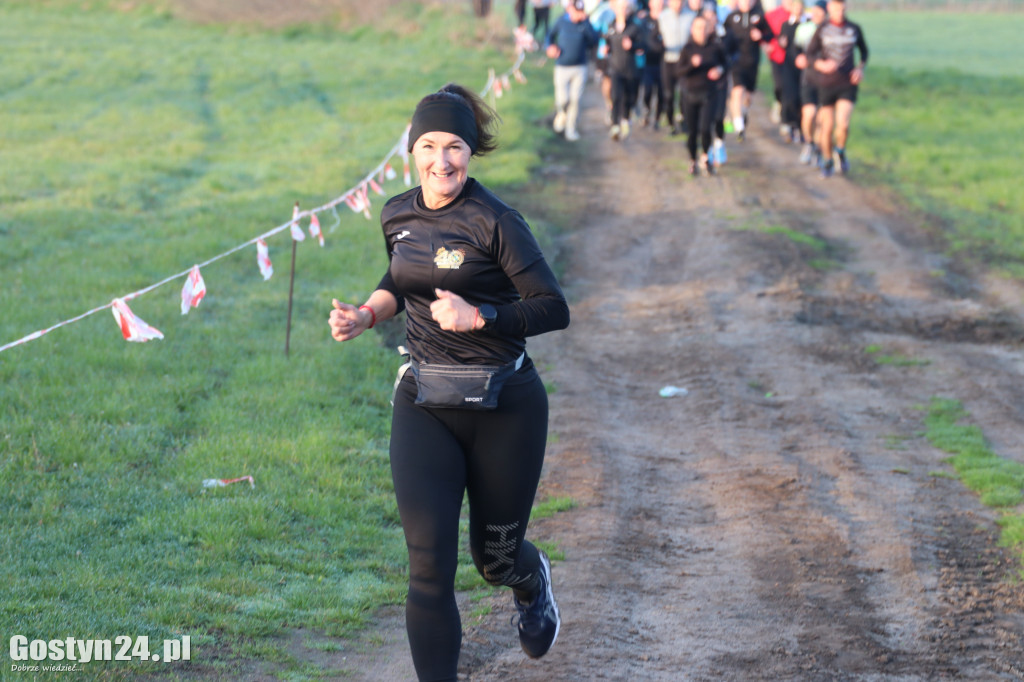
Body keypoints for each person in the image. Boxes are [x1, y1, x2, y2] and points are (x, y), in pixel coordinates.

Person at [328, 84, 570, 682]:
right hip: (425, 402)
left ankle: (530, 580)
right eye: (430, 146)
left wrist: (480, 315)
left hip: (505, 406)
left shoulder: (497, 222)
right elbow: (400, 274)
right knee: (428, 568)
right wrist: (368, 313)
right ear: (412, 151)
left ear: (471, 152)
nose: (443, 161)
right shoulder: (397, 213)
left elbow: (552, 307)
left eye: (455, 146)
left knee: (494, 560)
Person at [806, 0, 868, 177]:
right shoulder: (822, 29)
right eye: (835, 8)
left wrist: (860, 68)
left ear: (845, 8)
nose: (839, 12)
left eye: (841, 8)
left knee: (843, 124)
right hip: (826, 84)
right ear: (830, 9)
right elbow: (810, 54)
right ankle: (827, 160)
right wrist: (820, 64)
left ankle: (840, 150)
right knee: (827, 127)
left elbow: (864, 51)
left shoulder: (854, 28)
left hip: (847, 83)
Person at [546, 0, 601, 140]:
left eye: (581, 12)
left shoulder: (585, 24)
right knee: (563, 99)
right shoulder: (561, 21)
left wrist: (586, 23)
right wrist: (550, 47)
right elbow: (550, 36)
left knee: (576, 100)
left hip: (580, 67)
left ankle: (571, 129)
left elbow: (594, 40)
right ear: (570, 9)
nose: (578, 15)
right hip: (562, 67)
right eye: (576, 11)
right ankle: (562, 114)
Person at [679, 14, 727, 175]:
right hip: (690, 94)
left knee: (706, 129)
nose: (701, 31)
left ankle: (706, 157)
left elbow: (726, 65)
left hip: (709, 94)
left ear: (708, 29)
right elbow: (678, 71)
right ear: (692, 30)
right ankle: (693, 160)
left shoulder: (715, 47)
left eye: (704, 28)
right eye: (698, 28)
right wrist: (691, 65)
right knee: (692, 131)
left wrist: (719, 70)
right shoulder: (687, 49)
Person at [724, 0, 773, 141]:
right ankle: (739, 128)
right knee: (737, 91)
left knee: (748, 96)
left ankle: (743, 113)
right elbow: (724, 35)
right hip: (736, 62)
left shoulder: (759, 17)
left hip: (752, 61)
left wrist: (761, 37)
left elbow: (770, 35)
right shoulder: (731, 17)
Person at [604, 0, 643, 140]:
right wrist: (606, 49)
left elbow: (642, 45)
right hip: (615, 67)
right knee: (616, 96)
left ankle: (625, 119)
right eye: (620, 7)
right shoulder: (611, 25)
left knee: (629, 97)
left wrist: (632, 46)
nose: (622, 10)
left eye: (625, 8)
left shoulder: (634, 26)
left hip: (630, 68)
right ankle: (615, 124)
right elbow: (607, 42)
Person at [794, 0, 826, 165]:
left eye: (819, 11)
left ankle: (819, 150)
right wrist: (799, 58)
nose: (816, 14)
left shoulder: (830, 31)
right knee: (809, 114)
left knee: (822, 118)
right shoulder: (804, 29)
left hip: (826, 81)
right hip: (808, 78)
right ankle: (808, 143)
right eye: (814, 11)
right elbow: (796, 50)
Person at [776, 0, 805, 143]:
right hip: (788, 65)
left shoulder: (807, 25)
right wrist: (781, 43)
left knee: (802, 97)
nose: (798, 9)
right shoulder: (786, 25)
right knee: (790, 96)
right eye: (796, 7)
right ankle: (791, 124)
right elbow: (782, 42)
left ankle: (801, 127)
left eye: (800, 7)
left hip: (804, 67)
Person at [635, 0, 666, 128]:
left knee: (662, 93)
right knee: (647, 91)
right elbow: (643, 39)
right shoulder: (644, 21)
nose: (658, 5)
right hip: (648, 62)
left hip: (663, 62)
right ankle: (647, 110)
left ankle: (657, 118)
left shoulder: (666, 19)